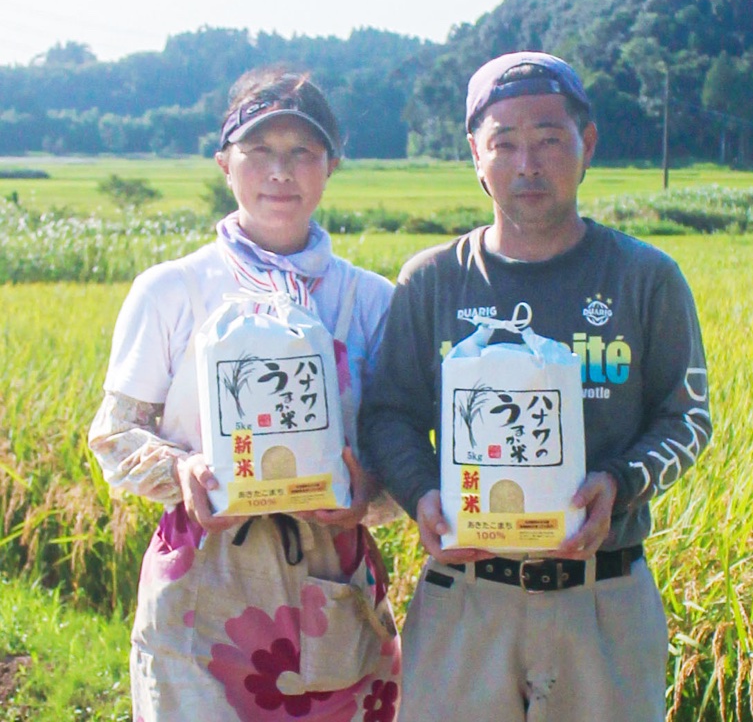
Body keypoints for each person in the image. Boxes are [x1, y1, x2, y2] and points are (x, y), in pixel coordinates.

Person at [359, 51, 712, 722]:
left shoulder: (645, 277)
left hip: (602, 599)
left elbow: (687, 418)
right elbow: (388, 415)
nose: (528, 164)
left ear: (588, 145)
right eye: (505, 143)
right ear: (475, 154)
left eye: (550, 139)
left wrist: (619, 481)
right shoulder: (433, 280)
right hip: (464, 595)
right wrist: (422, 495)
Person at [89, 68, 401, 722]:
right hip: (204, 578)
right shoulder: (174, 290)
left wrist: (368, 492)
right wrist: (184, 471)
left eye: (302, 152)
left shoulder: (371, 301)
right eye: (259, 150)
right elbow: (116, 433)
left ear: (331, 165)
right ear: (224, 161)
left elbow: (401, 437)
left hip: (332, 579)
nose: (279, 171)